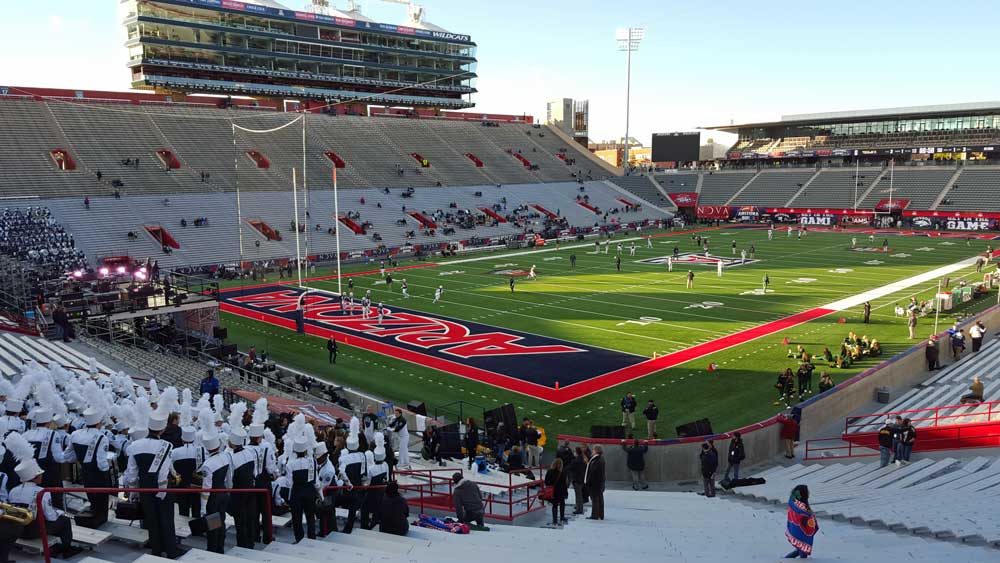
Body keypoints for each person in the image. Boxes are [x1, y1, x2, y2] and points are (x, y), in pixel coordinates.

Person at [124, 411, 180, 559]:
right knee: (166, 519)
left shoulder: (135, 445)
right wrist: (161, 489)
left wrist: (133, 491)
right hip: (161, 487)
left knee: (152, 519)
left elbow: (131, 472)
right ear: (162, 430)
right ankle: (171, 550)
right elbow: (163, 471)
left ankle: (156, 549)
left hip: (144, 487)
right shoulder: (166, 445)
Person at [9, 458, 82, 559]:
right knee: (64, 520)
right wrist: (59, 512)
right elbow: (51, 517)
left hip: (18, 530)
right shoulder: (43, 492)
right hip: (34, 531)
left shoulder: (13, 491)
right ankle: (67, 549)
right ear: (35, 477)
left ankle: (54, 547)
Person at [65, 406, 112, 528]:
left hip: (85, 471)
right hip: (98, 474)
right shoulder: (102, 437)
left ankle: (93, 518)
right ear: (98, 422)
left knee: (91, 496)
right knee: (101, 500)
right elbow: (101, 463)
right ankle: (100, 521)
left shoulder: (75, 434)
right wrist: (108, 473)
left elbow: (69, 456)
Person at [198, 431, 231, 553]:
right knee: (221, 522)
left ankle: (212, 550)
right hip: (223, 493)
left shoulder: (208, 464)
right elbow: (229, 478)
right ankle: (220, 548)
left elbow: (206, 488)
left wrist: (203, 507)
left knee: (213, 525)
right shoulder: (225, 456)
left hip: (213, 498)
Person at [287, 437, 320, 542]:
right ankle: (312, 538)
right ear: (306, 450)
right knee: (310, 517)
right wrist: (320, 493)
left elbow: (289, 483)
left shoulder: (290, 464)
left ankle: (299, 539)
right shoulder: (312, 462)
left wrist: (288, 497)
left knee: (297, 519)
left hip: (296, 492)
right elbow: (316, 481)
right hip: (309, 491)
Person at [784, 485, 819, 559]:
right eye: (807, 492)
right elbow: (804, 516)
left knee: (800, 550)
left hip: (798, 530)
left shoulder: (794, 502)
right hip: (801, 532)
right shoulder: (800, 507)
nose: (809, 493)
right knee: (803, 551)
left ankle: (785, 559)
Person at [543, 458, 569, 527]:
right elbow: (565, 484)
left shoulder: (549, 471)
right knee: (562, 504)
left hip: (553, 491)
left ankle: (554, 520)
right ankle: (562, 518)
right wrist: (566, 493)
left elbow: (546, 481)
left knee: (554, 505)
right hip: (561, 491)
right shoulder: (562, 473)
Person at [584, 445, 605, 520]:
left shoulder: (597, 460)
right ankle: (600, 514)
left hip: (594, 483)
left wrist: (588, 481)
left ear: (596, 450)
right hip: (598, 483)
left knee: (595, 499)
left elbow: (593, 472)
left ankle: (595, 515)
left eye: (593, 450)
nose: (592, 451)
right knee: (599, 499)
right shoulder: (599, 459)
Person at [568, 447, 586, 515]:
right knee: (580, 495)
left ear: (577, 452)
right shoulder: (583, 460)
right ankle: (579, 508)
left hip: (576, 479)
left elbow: (570, 469)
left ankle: (579, 509)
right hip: (581, 479)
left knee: (578, 495)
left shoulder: (575, 461)